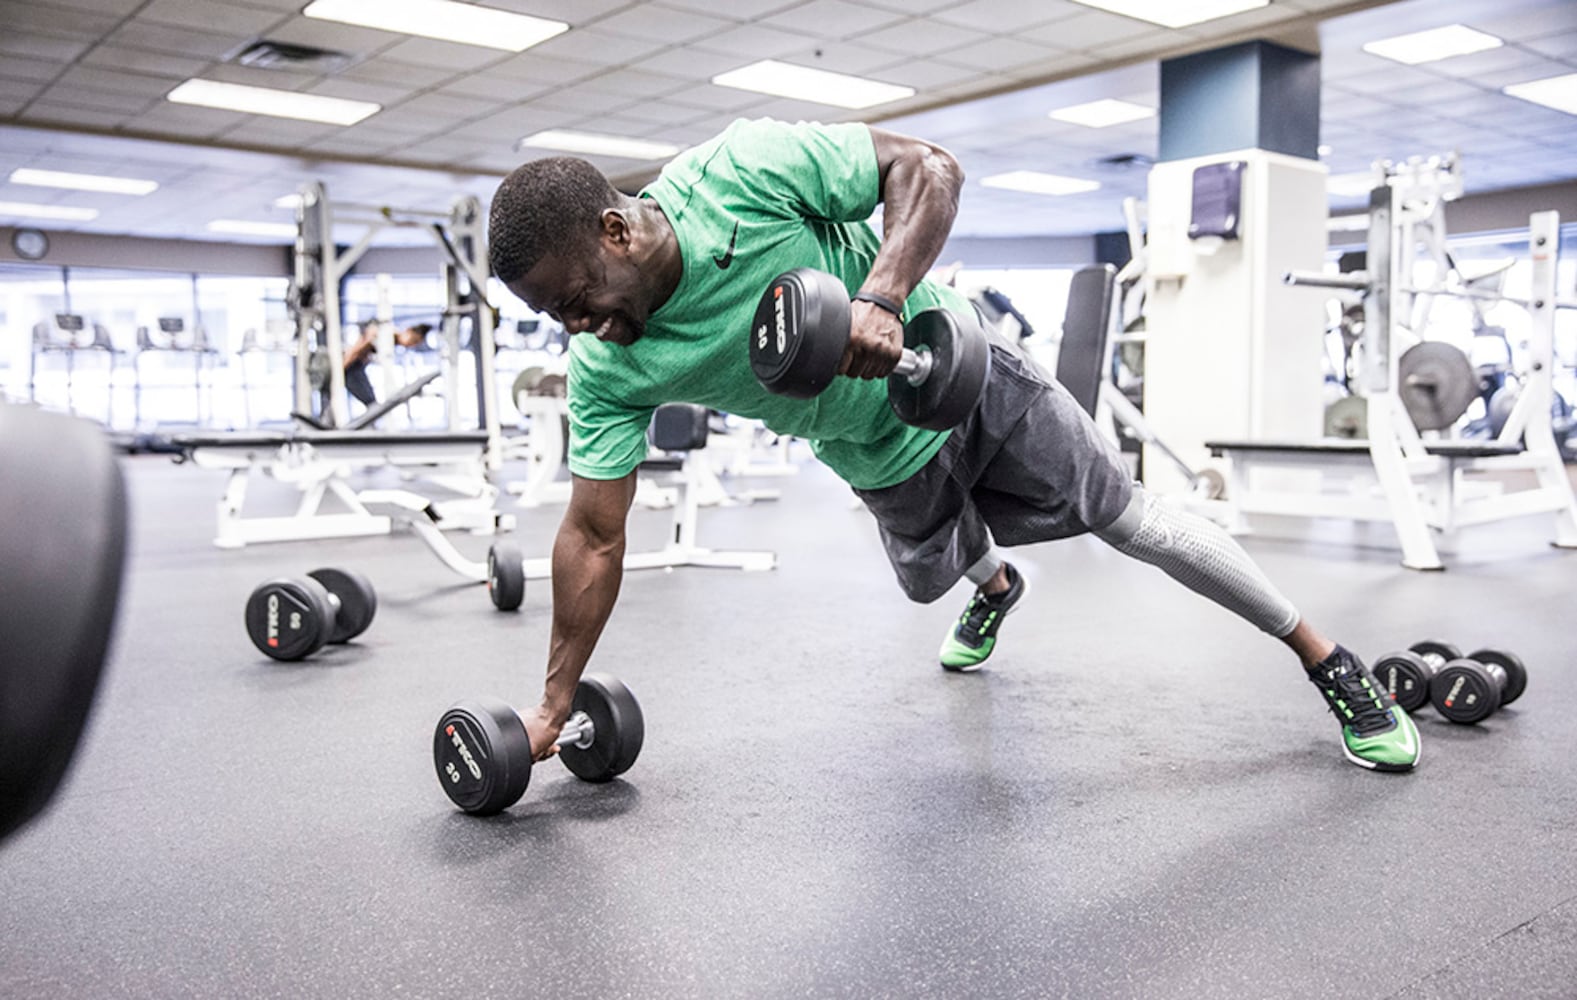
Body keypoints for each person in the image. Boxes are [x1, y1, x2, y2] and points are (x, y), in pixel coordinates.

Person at [486, 118, 1419, 774]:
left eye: (574, 298)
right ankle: (998, 588)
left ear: (615, 230)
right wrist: (552, 703)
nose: (578, 328)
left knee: (1126, 519)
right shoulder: (609, 370)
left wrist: (881, 296)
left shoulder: (742, 171)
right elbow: (593, 536)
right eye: (555, 316)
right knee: (934, 575)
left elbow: (926, 166)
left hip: (958, 376)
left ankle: (1323, 657)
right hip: (870, 454)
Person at [342, 321, 431, 408]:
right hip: (349, 364)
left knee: (372, 404)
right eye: (413, 340)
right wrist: (342, 366)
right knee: (371, 403)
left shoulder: (392, 344)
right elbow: (359, 347)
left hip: (353, 365)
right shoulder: (389, 334)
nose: (411, 344)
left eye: (415, 344)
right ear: (408, 331)